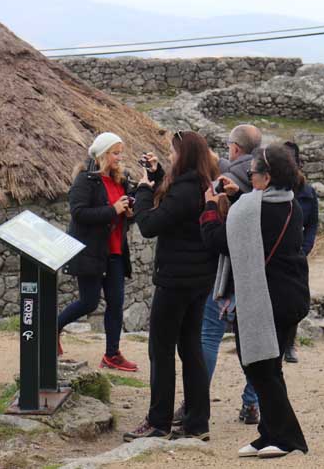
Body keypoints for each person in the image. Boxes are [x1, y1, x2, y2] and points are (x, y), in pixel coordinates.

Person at [201, 143, 310, 458]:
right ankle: (269, 434)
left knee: (260, 369)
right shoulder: (289, 202)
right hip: (290, 297)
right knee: (267, 369)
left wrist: (210, 208)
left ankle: (289, 439)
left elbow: (219, 241)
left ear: (267, 176)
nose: (249, 177)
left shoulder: (253, 209)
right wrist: (238, 197)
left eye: (252, 173)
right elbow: (256, 228)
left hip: (265, 301)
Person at [123, 130, 219, 442]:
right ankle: (197, 422)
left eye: (173, 152)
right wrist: (157, 174)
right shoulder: (202, 184)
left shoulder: (185, 191)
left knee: (161, 349)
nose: (170, 156)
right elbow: (176, 203)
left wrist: (143, 190)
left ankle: (158, 421)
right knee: (190, 348)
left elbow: (150, 225)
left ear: (185, 155)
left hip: (176, 281)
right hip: (198, 280)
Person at [181, 124, 263, 426]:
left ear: (236, 148)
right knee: (253, 343)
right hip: (257, 273)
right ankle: (252, 403)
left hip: (224, 271)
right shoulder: (264, 180)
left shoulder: (225, 179)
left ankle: (195, 403)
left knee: (209, 336)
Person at [60, 132, 138, 372]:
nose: (119, 157)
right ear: (102, 154)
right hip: (91, 253)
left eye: (120, 153)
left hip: (115, 252)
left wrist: (129, 214)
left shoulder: (120, 180)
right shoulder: (85, 180)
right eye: (115, 153)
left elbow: (122, 216)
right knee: (89, 302)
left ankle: (112, 355)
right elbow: (79, 213)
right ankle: (51, 328)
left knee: (116, 304)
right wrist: (112, 210)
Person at [282, 141, 319, 364]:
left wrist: (305, 249)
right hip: (275, 255)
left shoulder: (308, 192)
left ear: (298, 163)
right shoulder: (272, 190)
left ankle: (290, 345)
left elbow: (313, 224)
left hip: (297, 256)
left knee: (294, 300)